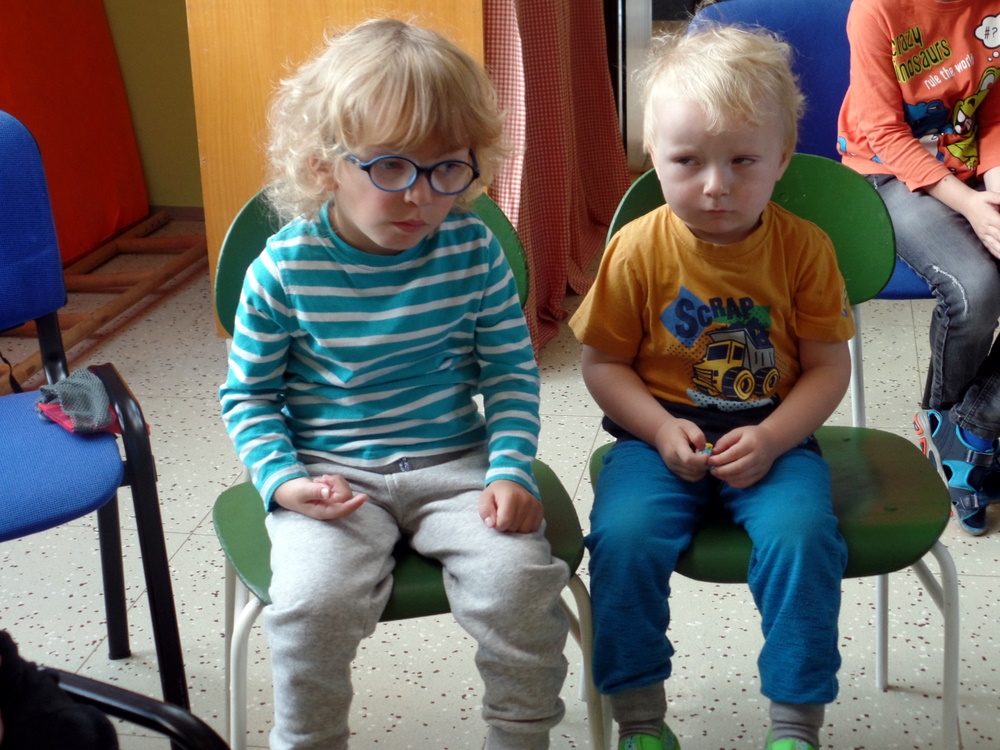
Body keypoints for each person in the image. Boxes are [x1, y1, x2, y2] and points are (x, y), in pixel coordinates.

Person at [219, 19, 570, 750]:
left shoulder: (472, 249)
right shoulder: (283, 270)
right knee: (311, 604)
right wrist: (283, 482)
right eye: (390, 168)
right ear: (324, 165)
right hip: (332, 478)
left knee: (519, 587)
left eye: (447, 169)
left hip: (457, 468)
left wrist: (509, 468)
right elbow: (248, 397)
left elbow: (509, 373)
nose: (421, 196)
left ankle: (520, 736)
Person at [569, 24, 855, 750]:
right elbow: (602, 364)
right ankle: (640, 721)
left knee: (803, 538)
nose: (716, 185)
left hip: (775, 435)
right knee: (623, 540)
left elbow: (828, 367)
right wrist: (659, 428)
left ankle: (795, 726)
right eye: (687, 160)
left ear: (782, 158)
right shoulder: (635, 249)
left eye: (742, 160)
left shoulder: (804, 249)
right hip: (653, 437)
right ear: (652, 156)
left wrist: (774, 437)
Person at [838, 0, 1000, 535]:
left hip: (971, 167)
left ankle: (966, 432)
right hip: (887, 170)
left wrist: (996, 191)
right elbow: (884, 135)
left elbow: (995, 110)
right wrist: (972, 206)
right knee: (975, 290)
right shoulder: (876, 11)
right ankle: (952, 434)